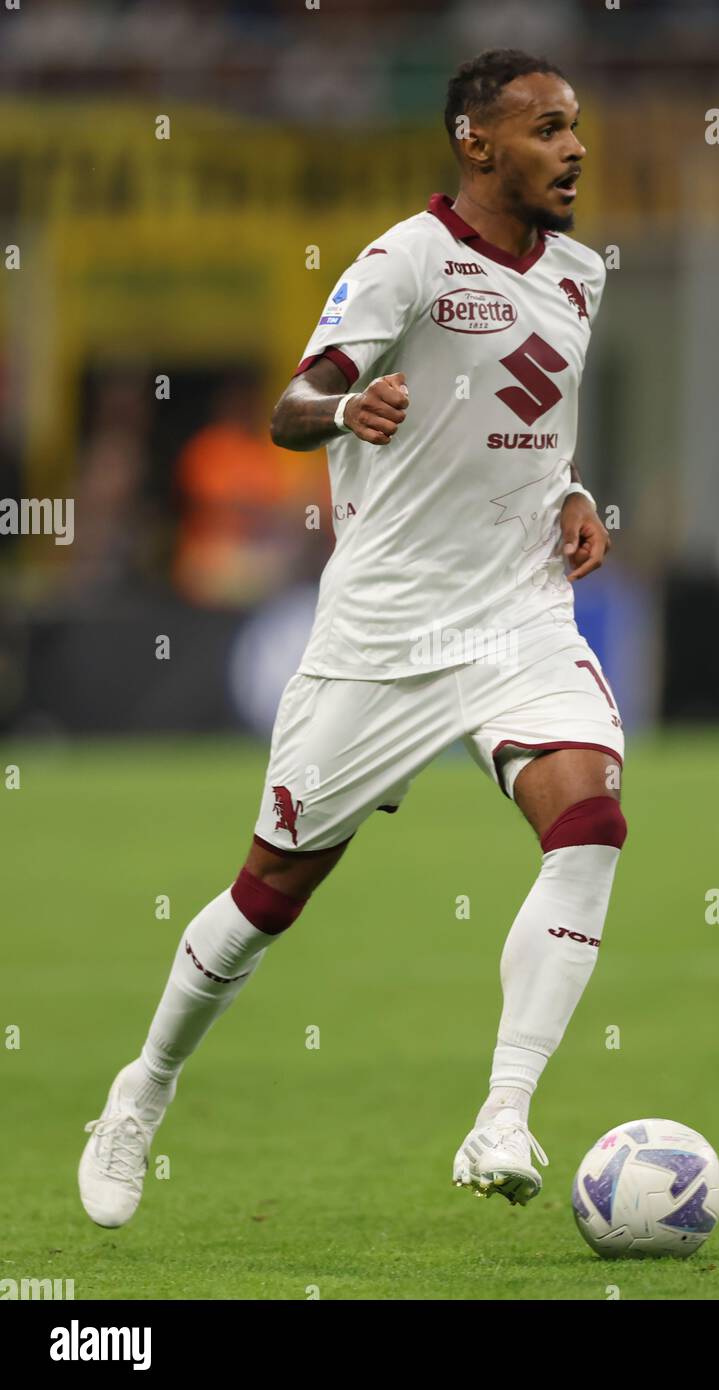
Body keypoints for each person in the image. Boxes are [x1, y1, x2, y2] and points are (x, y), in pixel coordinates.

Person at [79, 47, 627, 1226]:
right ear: (475, 142)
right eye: (544, 129)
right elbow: (291, 406)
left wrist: (572, 493)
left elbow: (531, 418)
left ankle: (503, 1113)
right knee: (271, 890)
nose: (572, 148)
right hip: (383, 632)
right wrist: (347, 406)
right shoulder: (405, 260)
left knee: (589, 821)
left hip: (519, 613)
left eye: (573, 125)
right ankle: (143, 1087)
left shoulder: (581, 275)